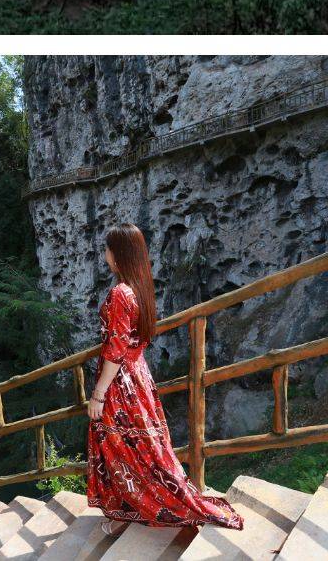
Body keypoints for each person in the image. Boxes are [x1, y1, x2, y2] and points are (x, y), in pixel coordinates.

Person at [87, 224, 243, 536]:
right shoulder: (139, 288)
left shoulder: (120, 293)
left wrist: (98, 395)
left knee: (121, 447)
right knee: (145, 447)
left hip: (120, 383)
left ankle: (138, 506)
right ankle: (138, 504)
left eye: (108, 249)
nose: (105, 255)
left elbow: (116, 350)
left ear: (118, 254)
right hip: (138, 376)